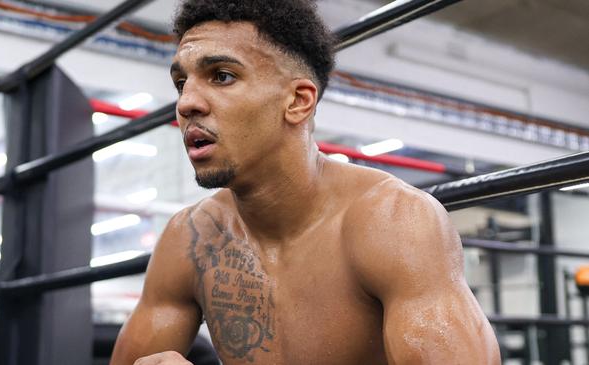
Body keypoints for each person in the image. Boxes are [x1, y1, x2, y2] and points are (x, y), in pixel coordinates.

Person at [110, 0, 501, 364]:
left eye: (222, 76)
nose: (186, 103)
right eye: (181, 82)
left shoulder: (393, 221)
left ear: (298, 101)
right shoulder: (190, 239)